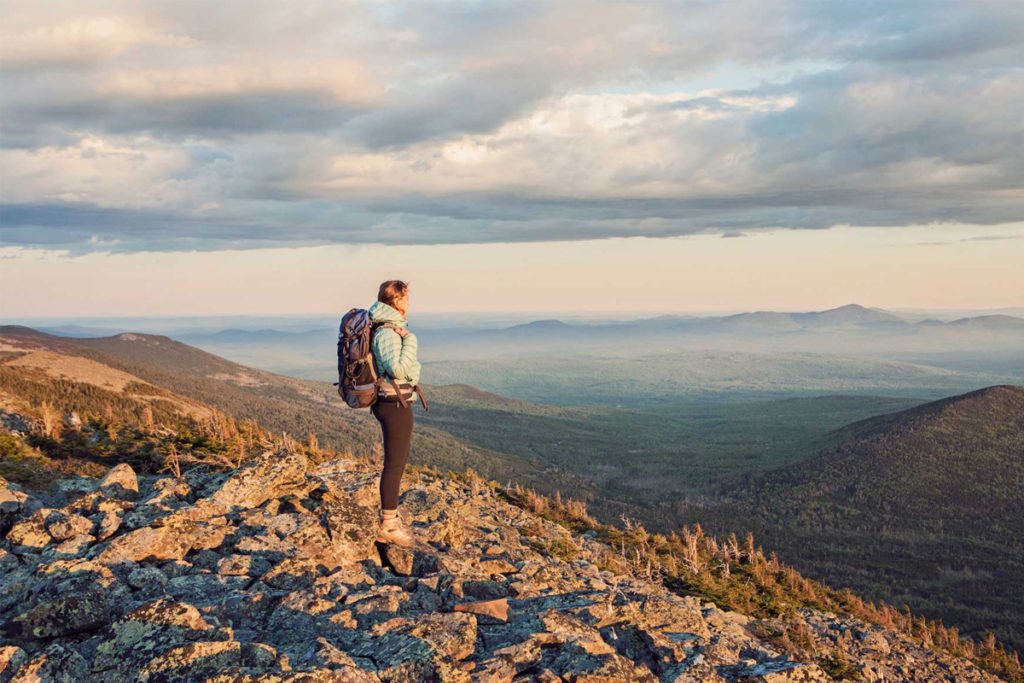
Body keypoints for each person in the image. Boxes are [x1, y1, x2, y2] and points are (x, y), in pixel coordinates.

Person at [368, 279, 422, 547]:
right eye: (406, 298)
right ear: (396, 300)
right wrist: (411, 340)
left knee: (395, 463)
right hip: (393, 403)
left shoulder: (385, 327)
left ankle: (390, 519)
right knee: (395, 464)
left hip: (392, 400)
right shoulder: (388, 332)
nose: (409, 303)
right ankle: (388, 525)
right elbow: (398, 370)